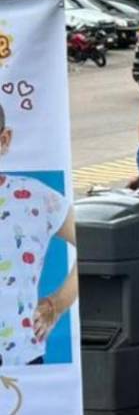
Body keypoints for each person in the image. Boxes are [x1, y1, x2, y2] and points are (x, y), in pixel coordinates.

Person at [0, 101, 78, 366]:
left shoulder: (36, 198)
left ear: (4, 140)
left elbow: (94, 245)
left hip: (21, 363)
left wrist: (57, 304)